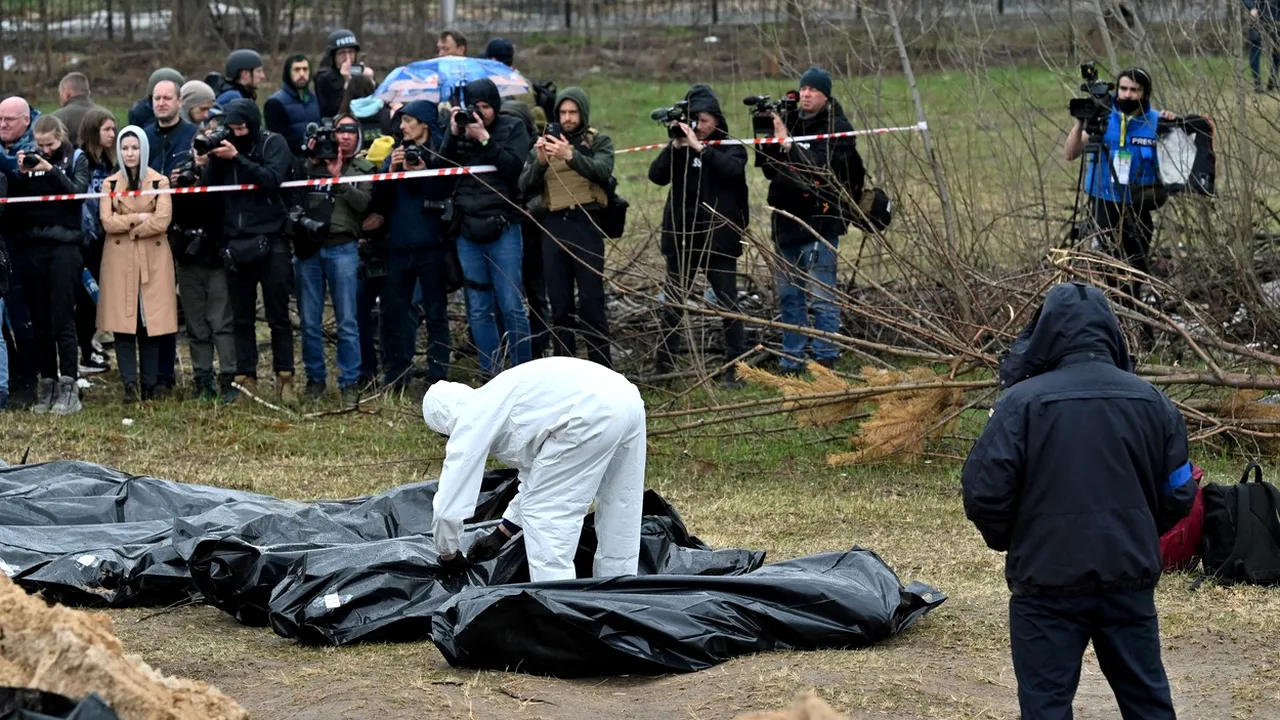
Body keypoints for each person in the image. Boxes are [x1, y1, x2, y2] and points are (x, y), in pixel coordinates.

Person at [961, 282, 1197, 720]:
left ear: (1045, 333)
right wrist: (1137, 530)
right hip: (1126, 575)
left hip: (1046, 580)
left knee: (1045, 707)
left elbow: (983, 493)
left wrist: (1017, 539)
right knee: (1148, 703)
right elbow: (1181, 489)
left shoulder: (1019, 404)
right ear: (1111, 333)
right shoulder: (1154, 402)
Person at [422, 356, 646, 582]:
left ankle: (557, 607)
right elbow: (539, 477)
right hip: (626, 397)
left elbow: (447, 509)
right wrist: (502, 533)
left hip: (590, 412)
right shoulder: (498, 397)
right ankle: (621, 595)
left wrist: (448, 555)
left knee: (546, 516)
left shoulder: (471, 420)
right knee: (621, 503)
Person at [755, 66, 864, 374]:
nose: (805, 94)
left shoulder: (837, 127)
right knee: (790, 296)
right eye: (803, 89)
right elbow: (767, 169)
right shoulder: (789, 120)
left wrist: (789, 144)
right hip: (786, 224)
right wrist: (771, 141)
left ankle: (826, 357)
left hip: (820, 223)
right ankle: (792, 357)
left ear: (826, 96)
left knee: (822, 295)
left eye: (813, 90)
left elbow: (821, 171)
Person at [195, 99, 297, 405]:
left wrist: (237, 157)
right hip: (235, 240)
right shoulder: (226, 148)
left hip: (271, 238)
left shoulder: (273, 143)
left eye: (243, 128)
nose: (238, 133)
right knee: (241, 317)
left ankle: (285, 378)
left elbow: (271, 180)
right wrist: (212, 159)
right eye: (234, 129)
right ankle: (245, 379)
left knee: (278, 315)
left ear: (253, 124)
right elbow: (210, 189)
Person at [649, 84, 750, 387]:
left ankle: (736, 369)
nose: (700, 127)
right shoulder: (680, 147)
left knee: (728, 304)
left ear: (717, 120)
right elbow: (656, 177)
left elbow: (733, 171)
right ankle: (664, 368)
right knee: (674, 304)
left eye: (704, 121)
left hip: (718, 239)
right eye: (695, 121)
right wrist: (676, 149)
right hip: (682, 238)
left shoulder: (730, 145)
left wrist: (701, 149)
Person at [440, 77, 534, 377]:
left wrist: (484, 138)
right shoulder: (460, 128)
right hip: (467, 228)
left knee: (511, 304)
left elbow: (513, 168)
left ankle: (523, 375)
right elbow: (442, 169)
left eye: (485, 108)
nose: (479, 114)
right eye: (474, 107)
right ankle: (491, 374)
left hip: (503, 226)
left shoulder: (512, 127)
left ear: (495, 106)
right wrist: (454, 134)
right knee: (478, 308)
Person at [518, 87, 615, 368]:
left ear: (582, 113)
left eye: (573, 112)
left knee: (591, 303)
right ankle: (565, 373)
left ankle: (602, 372)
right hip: (553, 228)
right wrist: (540, 161)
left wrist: (570, 155)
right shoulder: (544, 144)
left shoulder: (598, 141)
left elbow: (602, 170)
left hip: (586, 224)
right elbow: (524, 185)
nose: (568, 118)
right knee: (559, 306)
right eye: (563, 112)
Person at [1064, 67, 1176, 307]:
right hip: (1104, 201)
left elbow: (1181, 157)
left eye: (1134, 90)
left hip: (1139, 202)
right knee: (1107, 268)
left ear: (1145, 93)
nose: (1126, 94)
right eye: (1123, 88)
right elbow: (1070, 154)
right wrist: (1080, 123)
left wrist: (1175, 124)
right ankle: (1111, 310)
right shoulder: (1103, 117)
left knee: (1136, 267)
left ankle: (1134, 312)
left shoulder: (1156, 121)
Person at [365, 100, 454, 391]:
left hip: (432, 246)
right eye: (401, 121)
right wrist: (391, 170)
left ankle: (438, 376)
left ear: (424, 124)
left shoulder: (440, 153)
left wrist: (424, 169)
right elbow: (380, 202)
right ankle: (396, 374)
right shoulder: (395, 153)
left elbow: (442, 193)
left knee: (437, 313)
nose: (401, 126)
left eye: (408, 121)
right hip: (399, 247)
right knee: (393, 313)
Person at [12, 114, 90, 415]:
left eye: (50, 144)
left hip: (65, 247)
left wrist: (52, 170)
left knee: (62, 319)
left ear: (62, 137)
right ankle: (48, 383)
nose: (44, 150)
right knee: (40, 321)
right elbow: (17, 205)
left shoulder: (76, 159)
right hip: (33, 246)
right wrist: (21, 174)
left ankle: (69, 384)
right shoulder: (31, 161)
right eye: (40, 145)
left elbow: (76, 196)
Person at [294, 114, 372, 402]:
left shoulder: (363, 167)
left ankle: (349, 382)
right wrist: (309, 156)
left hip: (343, 248)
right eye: (340, 131)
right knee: (309, 321)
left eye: (352, 131)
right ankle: (315, 380)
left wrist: (338, 177)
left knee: (348, 320)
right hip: (309, 249)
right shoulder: (309, 164)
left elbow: (363, 204)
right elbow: (291, 190)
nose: (345, 136)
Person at [98, 127, 175, 403]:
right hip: (119, 260)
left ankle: (150, 385)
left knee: (150, 323)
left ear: (144, 149)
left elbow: (162, 220)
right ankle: (129, 385)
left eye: (135, 148)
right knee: (123, 323)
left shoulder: (159, 181)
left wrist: (132, 226)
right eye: (125, 148)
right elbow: (107, 222)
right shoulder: (109, 184)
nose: (130, 153)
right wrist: (138, 219)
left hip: (153, 259)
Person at [77, 108, 118, 377]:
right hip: (85, 237)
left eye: (114, 129)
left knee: (98, 296)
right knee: (85, 297)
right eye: (107, 130)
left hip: (106, 235)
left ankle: (91, 343)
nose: (113, 135)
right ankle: (84, 349)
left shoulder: (108, 162)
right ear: (94, 131)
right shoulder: (82, 160)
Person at [264, 53, 322, 156]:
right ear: (288, 73)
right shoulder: (275, 103)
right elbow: (277, 141)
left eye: (305, 69)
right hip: (290, 163)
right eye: (297, 70)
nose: (302, 74)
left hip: (317, 160)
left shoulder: (315, 99)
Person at [314, 28, 376, 119]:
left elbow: (377, 104)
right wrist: (348, 82)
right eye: (341, 53)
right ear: (333, 56)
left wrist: (371, 82)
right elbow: (333, 110)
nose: (348, 58)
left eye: (351, 52)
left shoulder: (360, 73)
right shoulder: (324, 78)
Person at [50, 72, 108, 146]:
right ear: (88, 93)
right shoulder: (106, 115)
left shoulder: (56, 118)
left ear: (66, 93)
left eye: (60, 93)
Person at [1245, 0, 1280, 92]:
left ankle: (1272, 81)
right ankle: (1257, 84)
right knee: (1256, 47)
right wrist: (1251, 7)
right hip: (1257, 14)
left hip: (1275, 14)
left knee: (1277, 49)